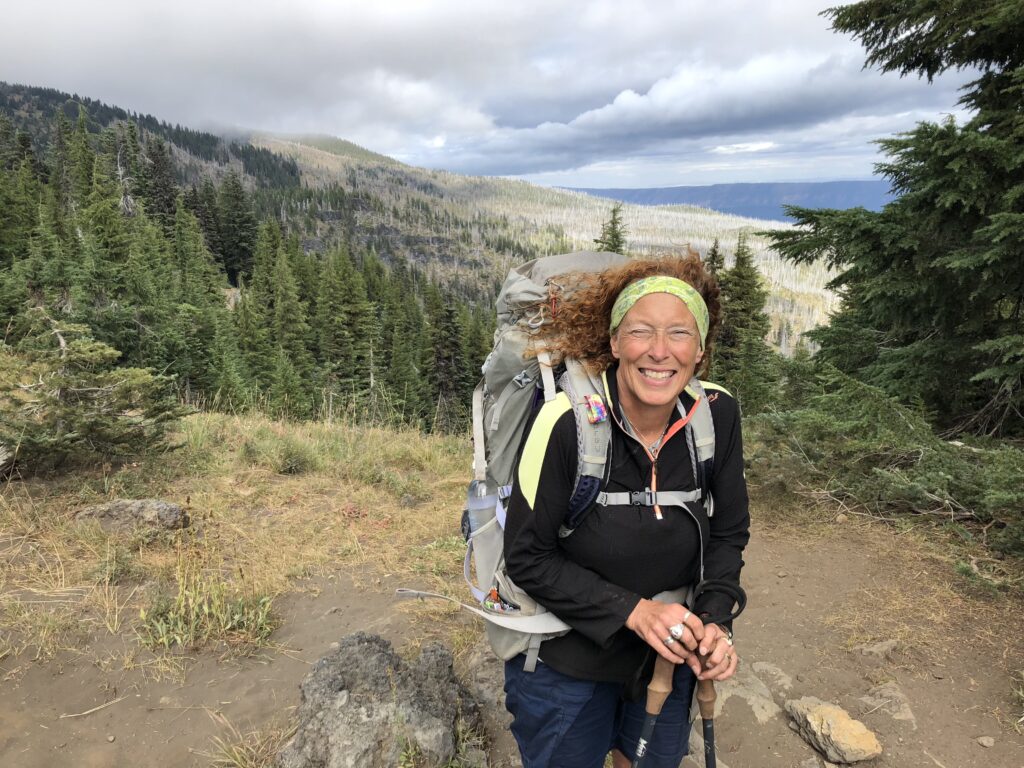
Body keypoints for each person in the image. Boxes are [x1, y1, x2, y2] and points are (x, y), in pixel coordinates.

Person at [502, 253, 750, 768]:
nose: (660, 352)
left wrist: (715, 621)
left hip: (668, 655)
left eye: (679, 333)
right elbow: (526, 557)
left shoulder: (717, 416)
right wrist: (635, 612)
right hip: (564, 660)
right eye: (641, 331)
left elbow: (728, 534)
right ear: (615, 343)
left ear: (700, 349)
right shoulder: (565, 423)